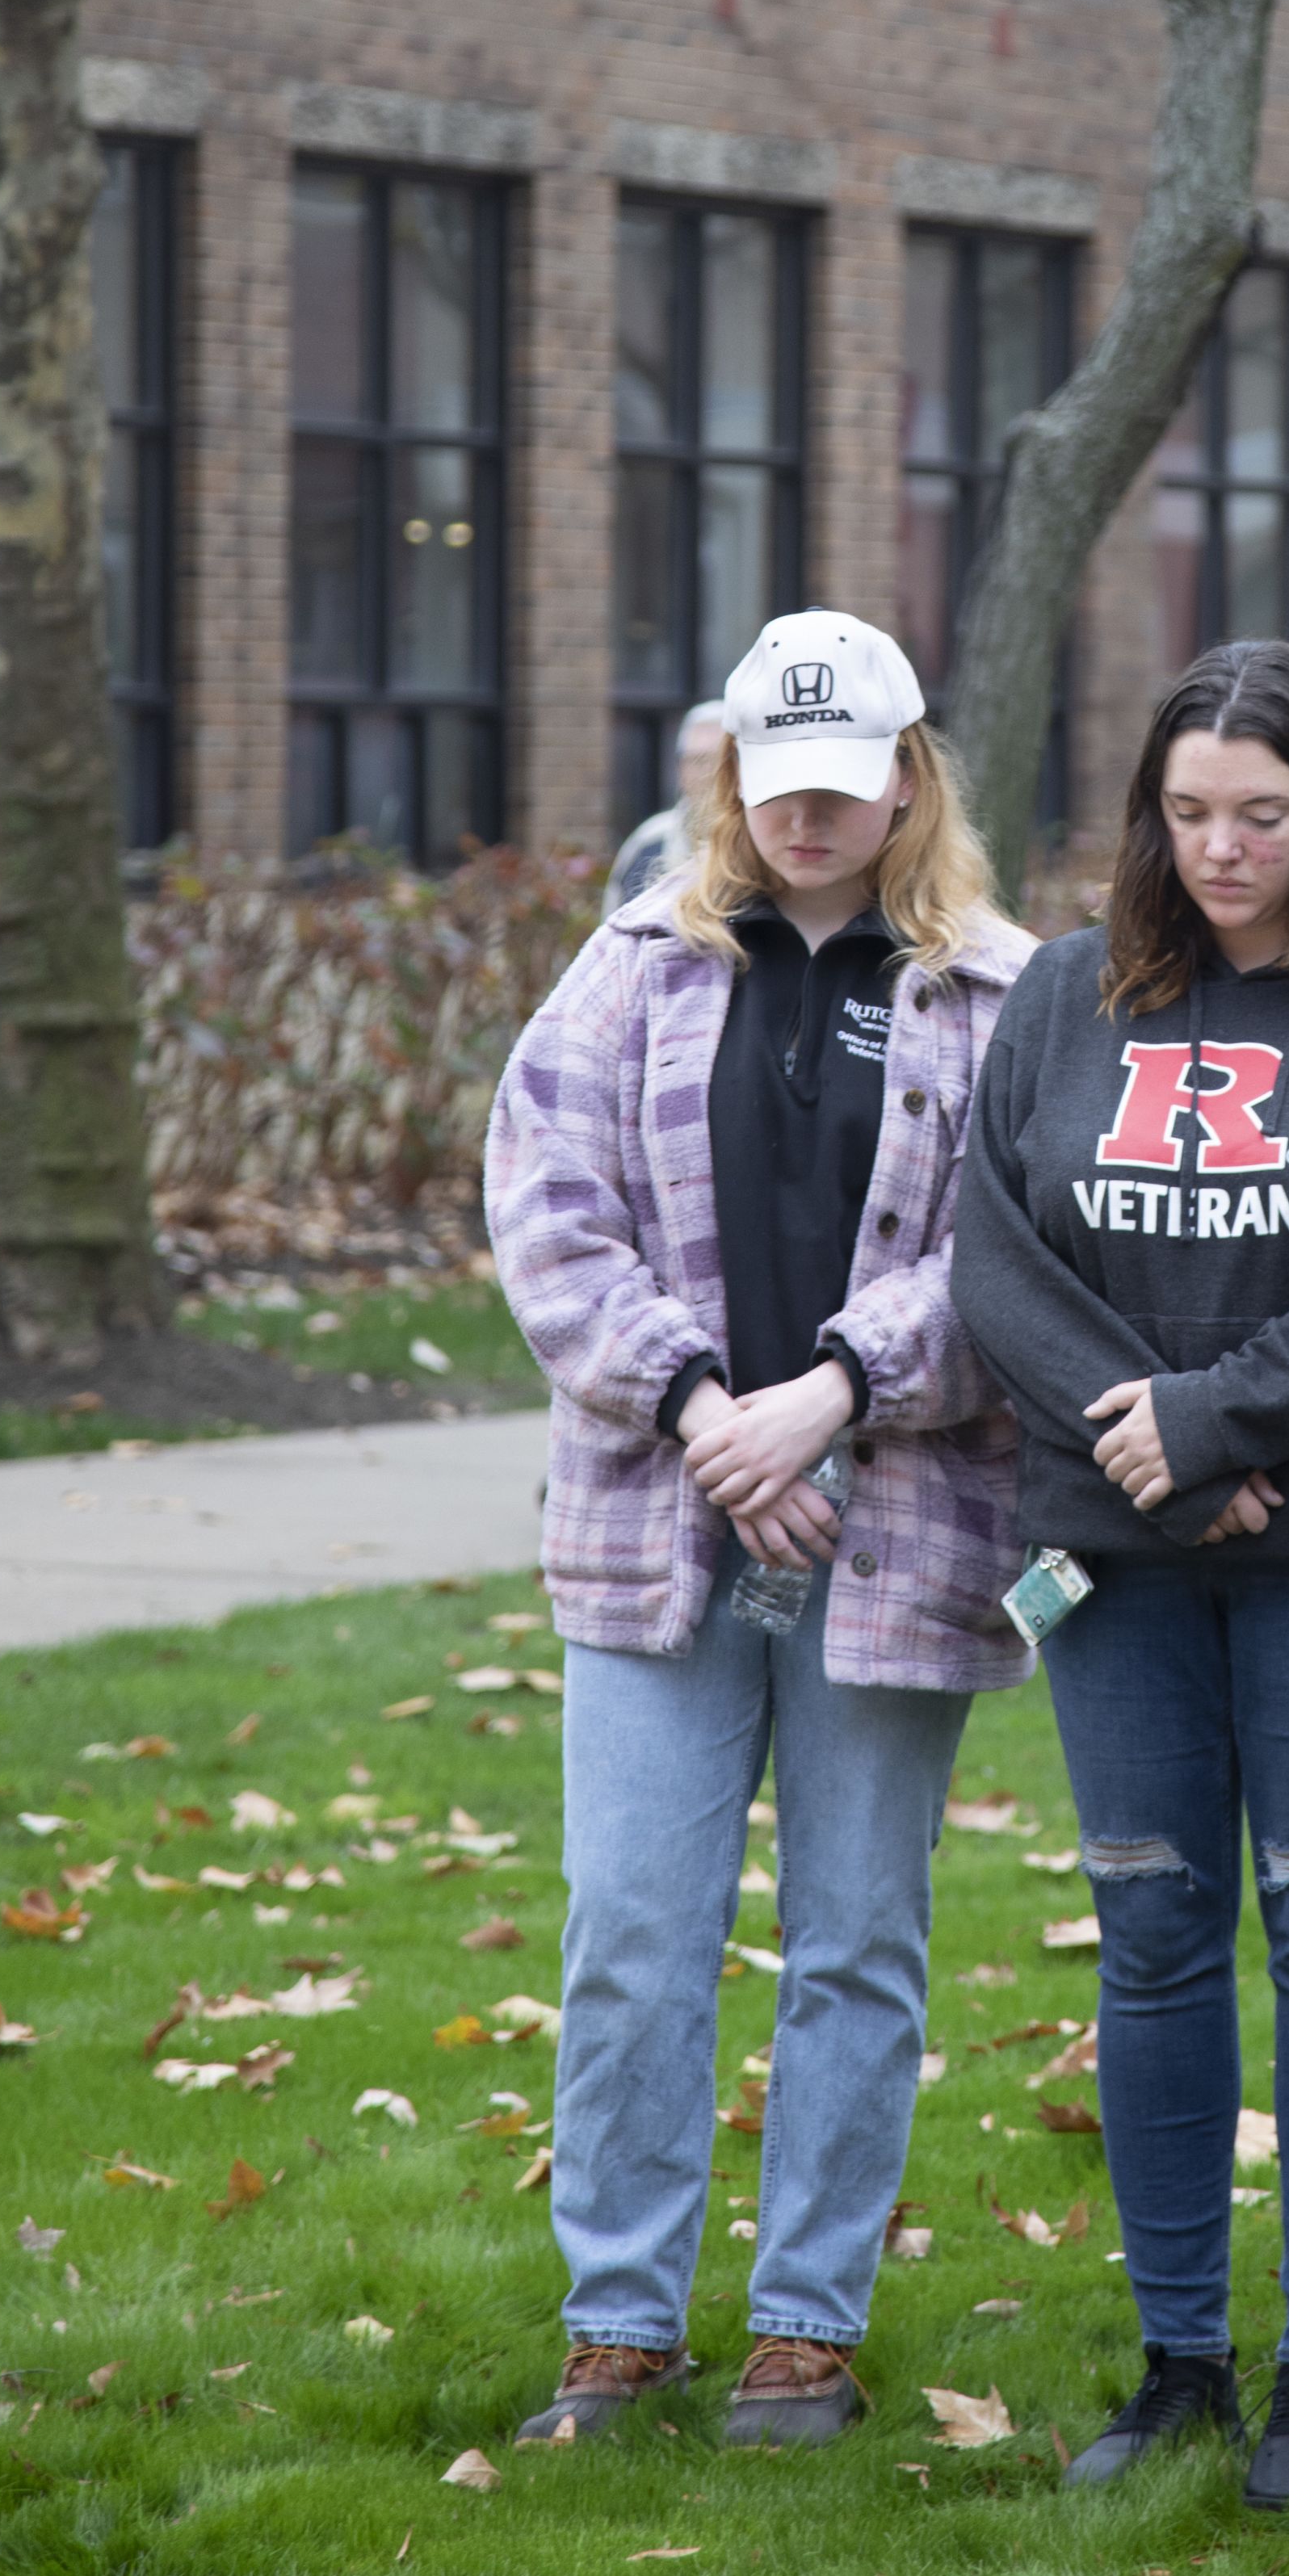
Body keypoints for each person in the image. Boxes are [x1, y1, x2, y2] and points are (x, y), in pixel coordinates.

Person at [951, 640, 1289, 2509]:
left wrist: (1228, 1424)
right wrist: (1163, 1457)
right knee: (1158, 1929)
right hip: (1122, 1566)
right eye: (1188, 815)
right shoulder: (1065, 993)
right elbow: (997, 1261)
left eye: (1261, 815)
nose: (1222, 852)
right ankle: (1178, 2355)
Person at [485, 607, 1033, 2452]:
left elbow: (1022, 1262)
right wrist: (713, 1412)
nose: (809, 820)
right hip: (666, 1527)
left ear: (910, 781)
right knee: (633, 1929)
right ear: (733, 780)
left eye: (846, 787)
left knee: (857, 1937)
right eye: (777, 786)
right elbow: (549, 1214)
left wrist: (842, 1389)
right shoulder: (634, 966)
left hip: (895, 1534)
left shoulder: (999, 996)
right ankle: (620, 2329)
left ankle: (806, 2326)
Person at [603, 698, 728, 912]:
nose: (708, 773)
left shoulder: (763, 842)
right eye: (698, 760)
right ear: (680, 770)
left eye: (718, 761)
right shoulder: (648, 841)